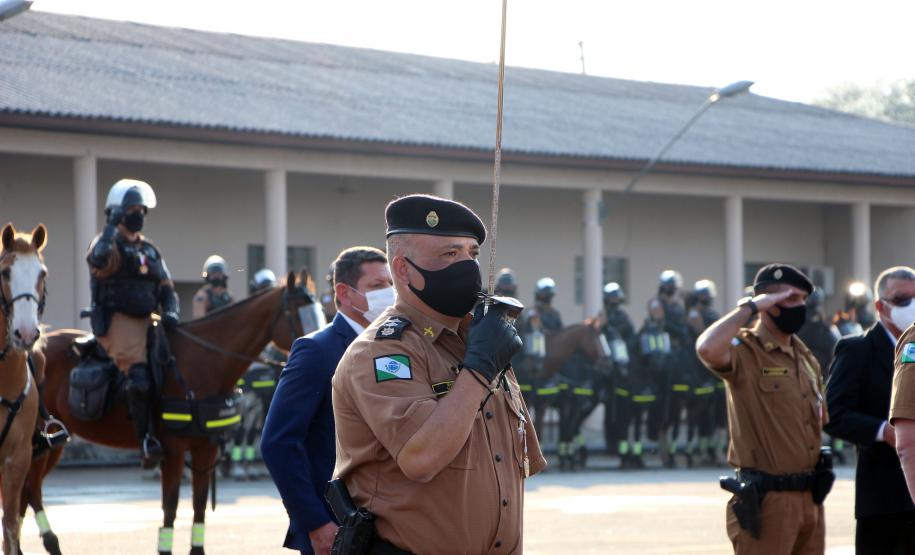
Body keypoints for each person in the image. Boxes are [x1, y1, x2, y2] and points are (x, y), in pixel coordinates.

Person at [332, 194, 546, 554]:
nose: (467, 265)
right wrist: (478, 371)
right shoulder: (383, 351)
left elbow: (521, 462)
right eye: (450, 254)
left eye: (472, 254)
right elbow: (421, 457)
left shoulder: (477, 340)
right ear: (403, 270)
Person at [262, 247, 394, 555]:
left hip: (391, 524)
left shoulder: (394, 347)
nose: (388, 294)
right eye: (376, 287)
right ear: (344, 294)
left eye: (391, 285)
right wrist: (314, 522)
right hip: (339, 530)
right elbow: (278, 442)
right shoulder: (316, 351)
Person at [696, 264, 831, 554]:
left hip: (811, 500)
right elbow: (707, 348)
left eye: (803, 299)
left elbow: (818, 421)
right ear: (770, 303)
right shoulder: (746, 350)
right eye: (792, 299)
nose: (801, 306)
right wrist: (751, 306)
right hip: (769, 501)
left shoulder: (806, 358)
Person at [87, 178, 179, 468]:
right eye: (132, 209)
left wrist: (172, 310)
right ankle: (146, 442)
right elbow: (98, 261)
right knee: (139, 378)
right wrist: (111, 228)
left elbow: (166, 287)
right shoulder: (108, 243)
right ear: (117, 212)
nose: (139, 214)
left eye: (142, 209)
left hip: (149, 320)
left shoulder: (150, 249)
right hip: (118, 321)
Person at [826, 266, 915, 554]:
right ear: (880, 306)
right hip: (883, 497)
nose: (910, 307)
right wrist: (882, 431)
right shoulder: (858, 349)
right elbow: (834, 413)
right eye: (902, 300)